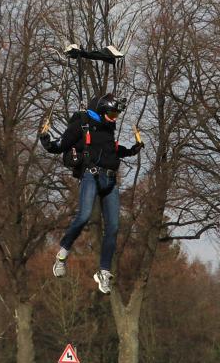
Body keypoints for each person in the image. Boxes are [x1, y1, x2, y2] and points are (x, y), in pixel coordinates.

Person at [39, 92, 143, 294]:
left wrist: (131, 150)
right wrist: (47, 142)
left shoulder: (108, 128)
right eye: (112, 114)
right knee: (84, 216)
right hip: (91, 176)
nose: (115, 118)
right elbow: (61, 145)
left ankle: (104, 272)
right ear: (103, 111)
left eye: (116, 115)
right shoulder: (83, 124)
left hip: (110, 180)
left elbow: (111, 150)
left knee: (113, 227)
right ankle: (62, 254)